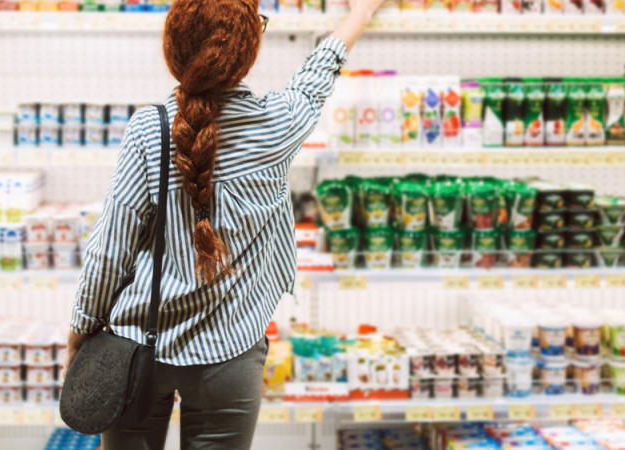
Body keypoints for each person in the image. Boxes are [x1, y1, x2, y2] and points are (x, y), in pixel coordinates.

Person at [63, 0, 385, 448]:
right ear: (246, 50)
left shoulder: (148, 130)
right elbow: (317, 76)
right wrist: (359, 16)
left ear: (173, 46)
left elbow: (109, 251)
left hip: (138, 350)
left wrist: (80, 332)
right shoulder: (278, 125)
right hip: (232, 353)